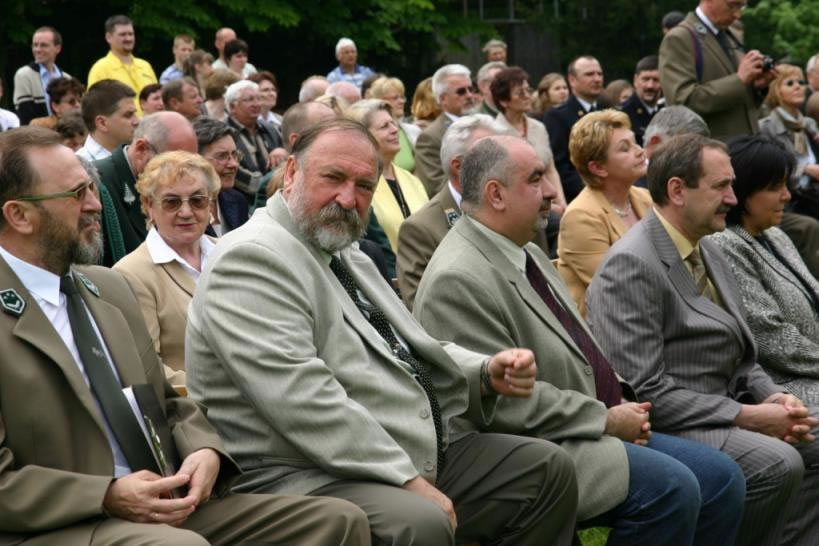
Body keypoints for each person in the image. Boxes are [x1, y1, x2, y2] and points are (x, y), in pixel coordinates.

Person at [185, 118, 579, 545]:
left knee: (545, 470)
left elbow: (404, 344)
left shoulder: (334, 244)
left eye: (364, 186)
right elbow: (301, 398)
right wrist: (407, 479)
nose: (348, 198)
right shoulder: (253, 257)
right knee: (419, 521)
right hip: (305, 474)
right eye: (333, 178)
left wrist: (483, 371)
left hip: (399, 446)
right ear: (292, 172)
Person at [0, 126, 372, 545]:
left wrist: (203, 449)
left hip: (165, 501)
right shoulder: (119, 279)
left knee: (338, 520)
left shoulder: (105, 288)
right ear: (19, 216)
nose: (95, 205)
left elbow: (167, 400)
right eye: (75, 194)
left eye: (91, 188)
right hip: (64, 522)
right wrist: (105, 495)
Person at [414, 134, 745, 545]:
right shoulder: (458, 278)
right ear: (495, 194)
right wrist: (605, 418)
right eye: (536, 179)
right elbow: (503, 403)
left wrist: (618, 400)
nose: (552, 192)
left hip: (584, 424)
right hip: (541, 446)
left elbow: (579, 346)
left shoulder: (524, 250)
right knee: (671, 488)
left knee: (722, 478)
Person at [586, 132, 819, 546]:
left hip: (721, 407)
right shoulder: (631, 265)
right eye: (721, 186)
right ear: (677, 190)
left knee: (809, 435)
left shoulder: (706, 246)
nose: (733, 198)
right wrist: (747, 416)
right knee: (779, 462)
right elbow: (643, 391)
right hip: (678, 425)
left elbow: (742, 356)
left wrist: (774, 397)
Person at [396, 114, 551, 309]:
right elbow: (424, 308)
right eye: (489, 156)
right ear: (459, 167)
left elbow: (546, 287)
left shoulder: (524, 208)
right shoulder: (421, 229)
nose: (504, 161)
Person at [710, 135, 819, 405]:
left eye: (786, 184)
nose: (787, 195)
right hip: (783, 384)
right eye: (775, 187)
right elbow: (771, 339)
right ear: (744, 190)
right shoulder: (725, 244)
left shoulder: (774, 234)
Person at [113, 152, 219, 387]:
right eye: (171, 202)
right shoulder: (130, 274)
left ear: (210, 203)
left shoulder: (229, 253)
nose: (186, 212)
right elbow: (147, 367)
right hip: (193, 405)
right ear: (149, 206)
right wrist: (221, 393)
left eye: (198, 200)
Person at [557, 109, 652, 315]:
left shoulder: (645, 198)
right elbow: (618, 287)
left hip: (651, 310)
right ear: (598, 168)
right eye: (625, 149)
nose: (639, 151)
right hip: (610, 324)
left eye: (635, 142)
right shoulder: (580, 217)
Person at [659, 0, 774, 140]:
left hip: (745, 143)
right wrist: (739, 80)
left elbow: (739, 101)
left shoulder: (730, 34)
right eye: (732, 5)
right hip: (710, 148)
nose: (737, 15)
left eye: (741, 6)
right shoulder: (680, 37)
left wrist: (755, 87)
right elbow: (683, 103)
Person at [95, 111, 198, 266]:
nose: (186, 172)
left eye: (192, 163)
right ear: (141, 149)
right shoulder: (98, 186)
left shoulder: (179, 187)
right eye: (176, 163)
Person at [346, 99, 429, 256]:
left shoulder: (411, 179)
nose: (395, 130)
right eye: (385, 126)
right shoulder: (357, 185)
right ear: (363, 135)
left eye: (393, 123)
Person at [491, 67, 567, 215]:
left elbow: (550, 170)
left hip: (550, 202)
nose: (527, 96)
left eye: (528, 90)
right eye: (520, 93)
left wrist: (562, 203)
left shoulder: (539, 127)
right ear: (503, 101)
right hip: (518, 209)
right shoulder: (494, 133)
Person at [759, 64, 819, 220]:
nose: (798, 86)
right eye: (790, 83)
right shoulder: (767, 127)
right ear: (776, 90)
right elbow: (771, 170)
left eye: (800, 82)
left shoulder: (808, 124)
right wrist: (806, 169)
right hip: (792, 202)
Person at [545, 55, 605, 203]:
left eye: (599, 74)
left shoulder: (609, 111)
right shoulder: (558, 117)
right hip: (581, 197)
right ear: (572, 80)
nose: (597, 79)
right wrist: (599, 189)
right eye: (589, 74)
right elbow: (561, 166)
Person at [415, 64, 477, 196]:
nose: (469, 95)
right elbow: (435, 186)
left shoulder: (483, 124)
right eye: (461, 91)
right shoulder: (430, 137)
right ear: (443, 99)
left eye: (471, 89)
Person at [87, 15, 157, 117]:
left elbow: (158, 97)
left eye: (131, 34)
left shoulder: (145, 66)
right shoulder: (100, 69)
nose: (128, 38)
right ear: (108, 37)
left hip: (152, 124)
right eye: (122, 35)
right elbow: (95, 107)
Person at [224, 80, 283, 201]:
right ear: (232, 107)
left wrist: (283, 151)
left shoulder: (271, 129)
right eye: (249, 100)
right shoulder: (224, 134)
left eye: (258, 98)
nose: (256, 104)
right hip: (243, 201)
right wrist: (276, 184)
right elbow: (238, 176)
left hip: (277, 195)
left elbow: (288, 160)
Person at [193, 116, 250, 235]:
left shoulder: (238, 201)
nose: (234, 164)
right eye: (222, 156)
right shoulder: (181, 209)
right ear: (196, 159)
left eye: (234, 155)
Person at [13, 26, 71, 125]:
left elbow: (74, 114)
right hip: (36, 134)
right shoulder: (24, 75)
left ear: (58, 48)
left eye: (44, 45)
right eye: (35, 45)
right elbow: (25, 117)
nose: (38, 49)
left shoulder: (67, 78)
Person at [76, 79, 139, 162]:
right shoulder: (78, 165)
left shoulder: (140, 156)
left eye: (134, 114)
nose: (137, 121)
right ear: (102, 123)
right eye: (128, 115)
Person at [370, 76, 421, 173]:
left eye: (402, 97)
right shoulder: (371, 132)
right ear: (380, 100)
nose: (402, 101)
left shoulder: (413, 130)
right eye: (395, 98)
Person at [620, 55, 664, 146]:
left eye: (656, 80)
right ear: (635, 80)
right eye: (646, 79)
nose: (650, 86)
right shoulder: (623, 114)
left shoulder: (666, 112)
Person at [248, 70, 283, 136]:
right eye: (265, 90)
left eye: (273, 90)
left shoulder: (282, 121)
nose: (272, 94)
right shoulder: (248, 121)